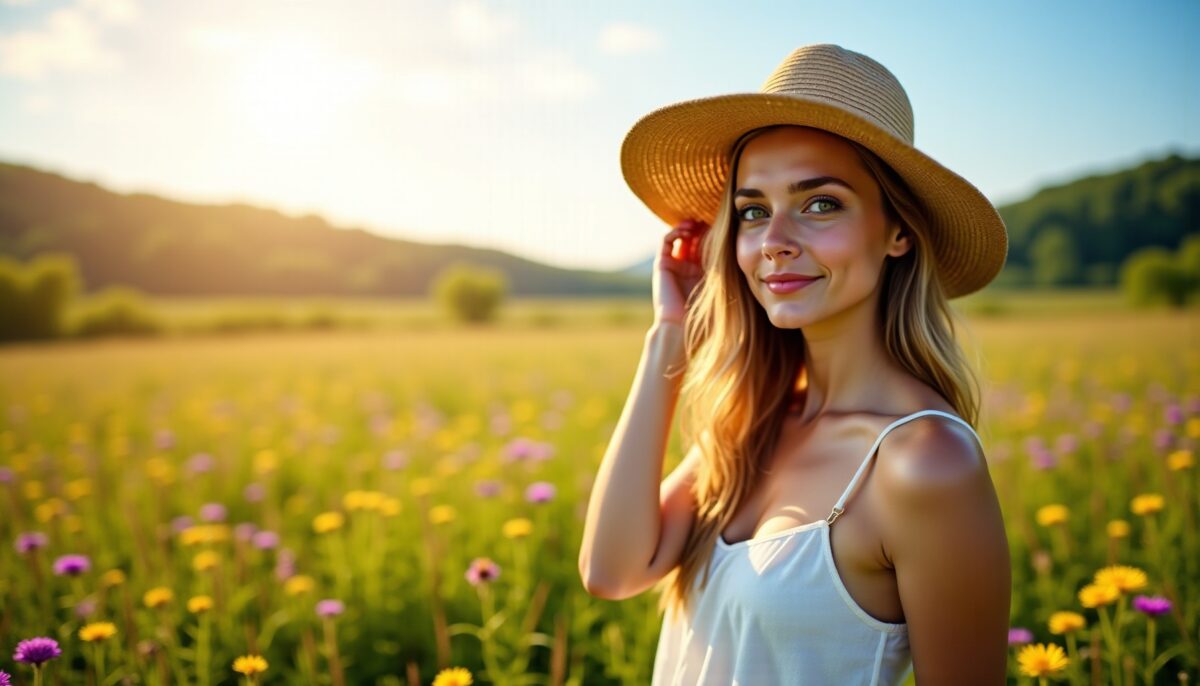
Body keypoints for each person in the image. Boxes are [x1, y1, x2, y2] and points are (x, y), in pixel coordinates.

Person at [577, 44, 1012, 685]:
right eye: (753, 211)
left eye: (820, 203)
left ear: (899, 231)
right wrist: (670, 334)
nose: (775, 241)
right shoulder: (758, 421)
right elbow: (612, 572)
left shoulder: (925, 462)